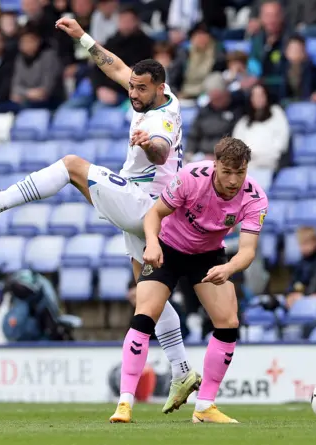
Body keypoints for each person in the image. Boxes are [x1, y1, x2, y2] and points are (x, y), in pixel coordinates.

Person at [0, 16, 199, 415]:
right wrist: (83, 38)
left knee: (73, 165)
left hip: (145, 204)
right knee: (147, 294)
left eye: (141, 89)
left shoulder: (161, 119)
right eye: (133, 87)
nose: (133, 93)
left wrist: (151, 144)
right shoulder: (161, 94)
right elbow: (118, 67)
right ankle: (181, 369)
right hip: (150, 214)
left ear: (158, 88)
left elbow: (159, 146)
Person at [109, 137, 268, 424]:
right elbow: (154, 214)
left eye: (240, 173)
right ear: (215, 164)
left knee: (228, 322)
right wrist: (152, 243)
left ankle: (205, 406)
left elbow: (247, 251)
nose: (233, 180)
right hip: (168, 246)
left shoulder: (255, 197)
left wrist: (229, 268)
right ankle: (124, 403)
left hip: (207, 255)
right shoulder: (190, 178)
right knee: (145, 315)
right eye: (227, 172)